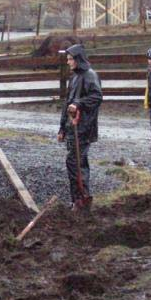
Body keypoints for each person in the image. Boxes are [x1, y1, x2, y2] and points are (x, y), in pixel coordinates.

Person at [57, 44, 102, 209]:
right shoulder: (74, 77)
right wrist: (62, 127)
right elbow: (67, 103)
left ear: (78, 59)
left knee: (76, 162)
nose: (68, 62)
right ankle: (76, 199)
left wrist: (79, 103)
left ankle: (82, 198)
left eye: (70, 59)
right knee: (74, 162)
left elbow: (96, 97)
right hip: (72, 128)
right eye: (67, 59)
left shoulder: (90, 76)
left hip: (84, 128)